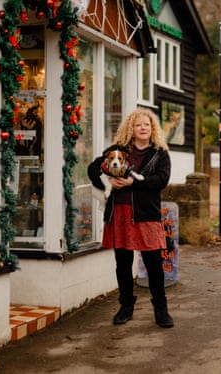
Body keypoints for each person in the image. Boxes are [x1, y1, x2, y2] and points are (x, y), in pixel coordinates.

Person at [88, 108, 174, 328]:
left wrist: (133, 183)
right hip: (120, 213)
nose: (143, 128)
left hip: (146, 214)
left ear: (152, 128)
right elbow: (92, 168)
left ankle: (161, 310)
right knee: (123, 264)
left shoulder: (160, 153)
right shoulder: (118, 150)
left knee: (154, 263)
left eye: (147, 124)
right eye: (138, 125)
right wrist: (108, 183)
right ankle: (126, 307)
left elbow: (161, 180)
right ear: (131, 129)